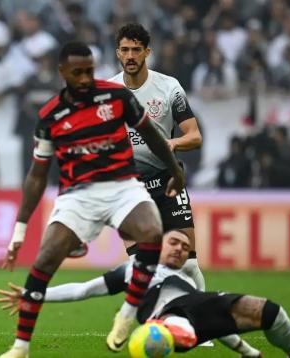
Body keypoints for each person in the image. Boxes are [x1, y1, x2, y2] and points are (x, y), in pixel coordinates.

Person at [0, 41, 185, 358]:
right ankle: (20, 348)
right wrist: (19, 229)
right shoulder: (50, 116)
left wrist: (174, 169)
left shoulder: (117, 98)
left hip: (122, 186)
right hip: (78, 197)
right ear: (62, 72)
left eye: (89, 71)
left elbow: (152, 135)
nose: (85, 79)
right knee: (43, 262)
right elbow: (37, 174)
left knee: (152, 233)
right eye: (77, 72)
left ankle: (126, 315)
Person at [0, 230, 290, 358]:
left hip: (195, 308)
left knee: (268, 310)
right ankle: (159, 336)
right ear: (159, 244)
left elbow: (220, 328)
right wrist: (35, 296)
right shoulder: (134, 269)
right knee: (178, 322)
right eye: (174, 243)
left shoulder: (189, 278)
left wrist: (249, 353)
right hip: (167, 314)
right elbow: (84, 290)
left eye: (184, 247)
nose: (179, 250)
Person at [91, 23, 206, 291]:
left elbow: (194, 136)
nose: (130, 56)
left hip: (168, 183)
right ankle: (157, 321)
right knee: (145, 266)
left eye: (136, 50)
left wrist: (170, 143)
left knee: (188, 264)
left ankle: (203, 324)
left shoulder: (169, 88)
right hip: (129, 190)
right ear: (118, 53)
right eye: (125, 50)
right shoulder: (105, 92)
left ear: (147, 52)